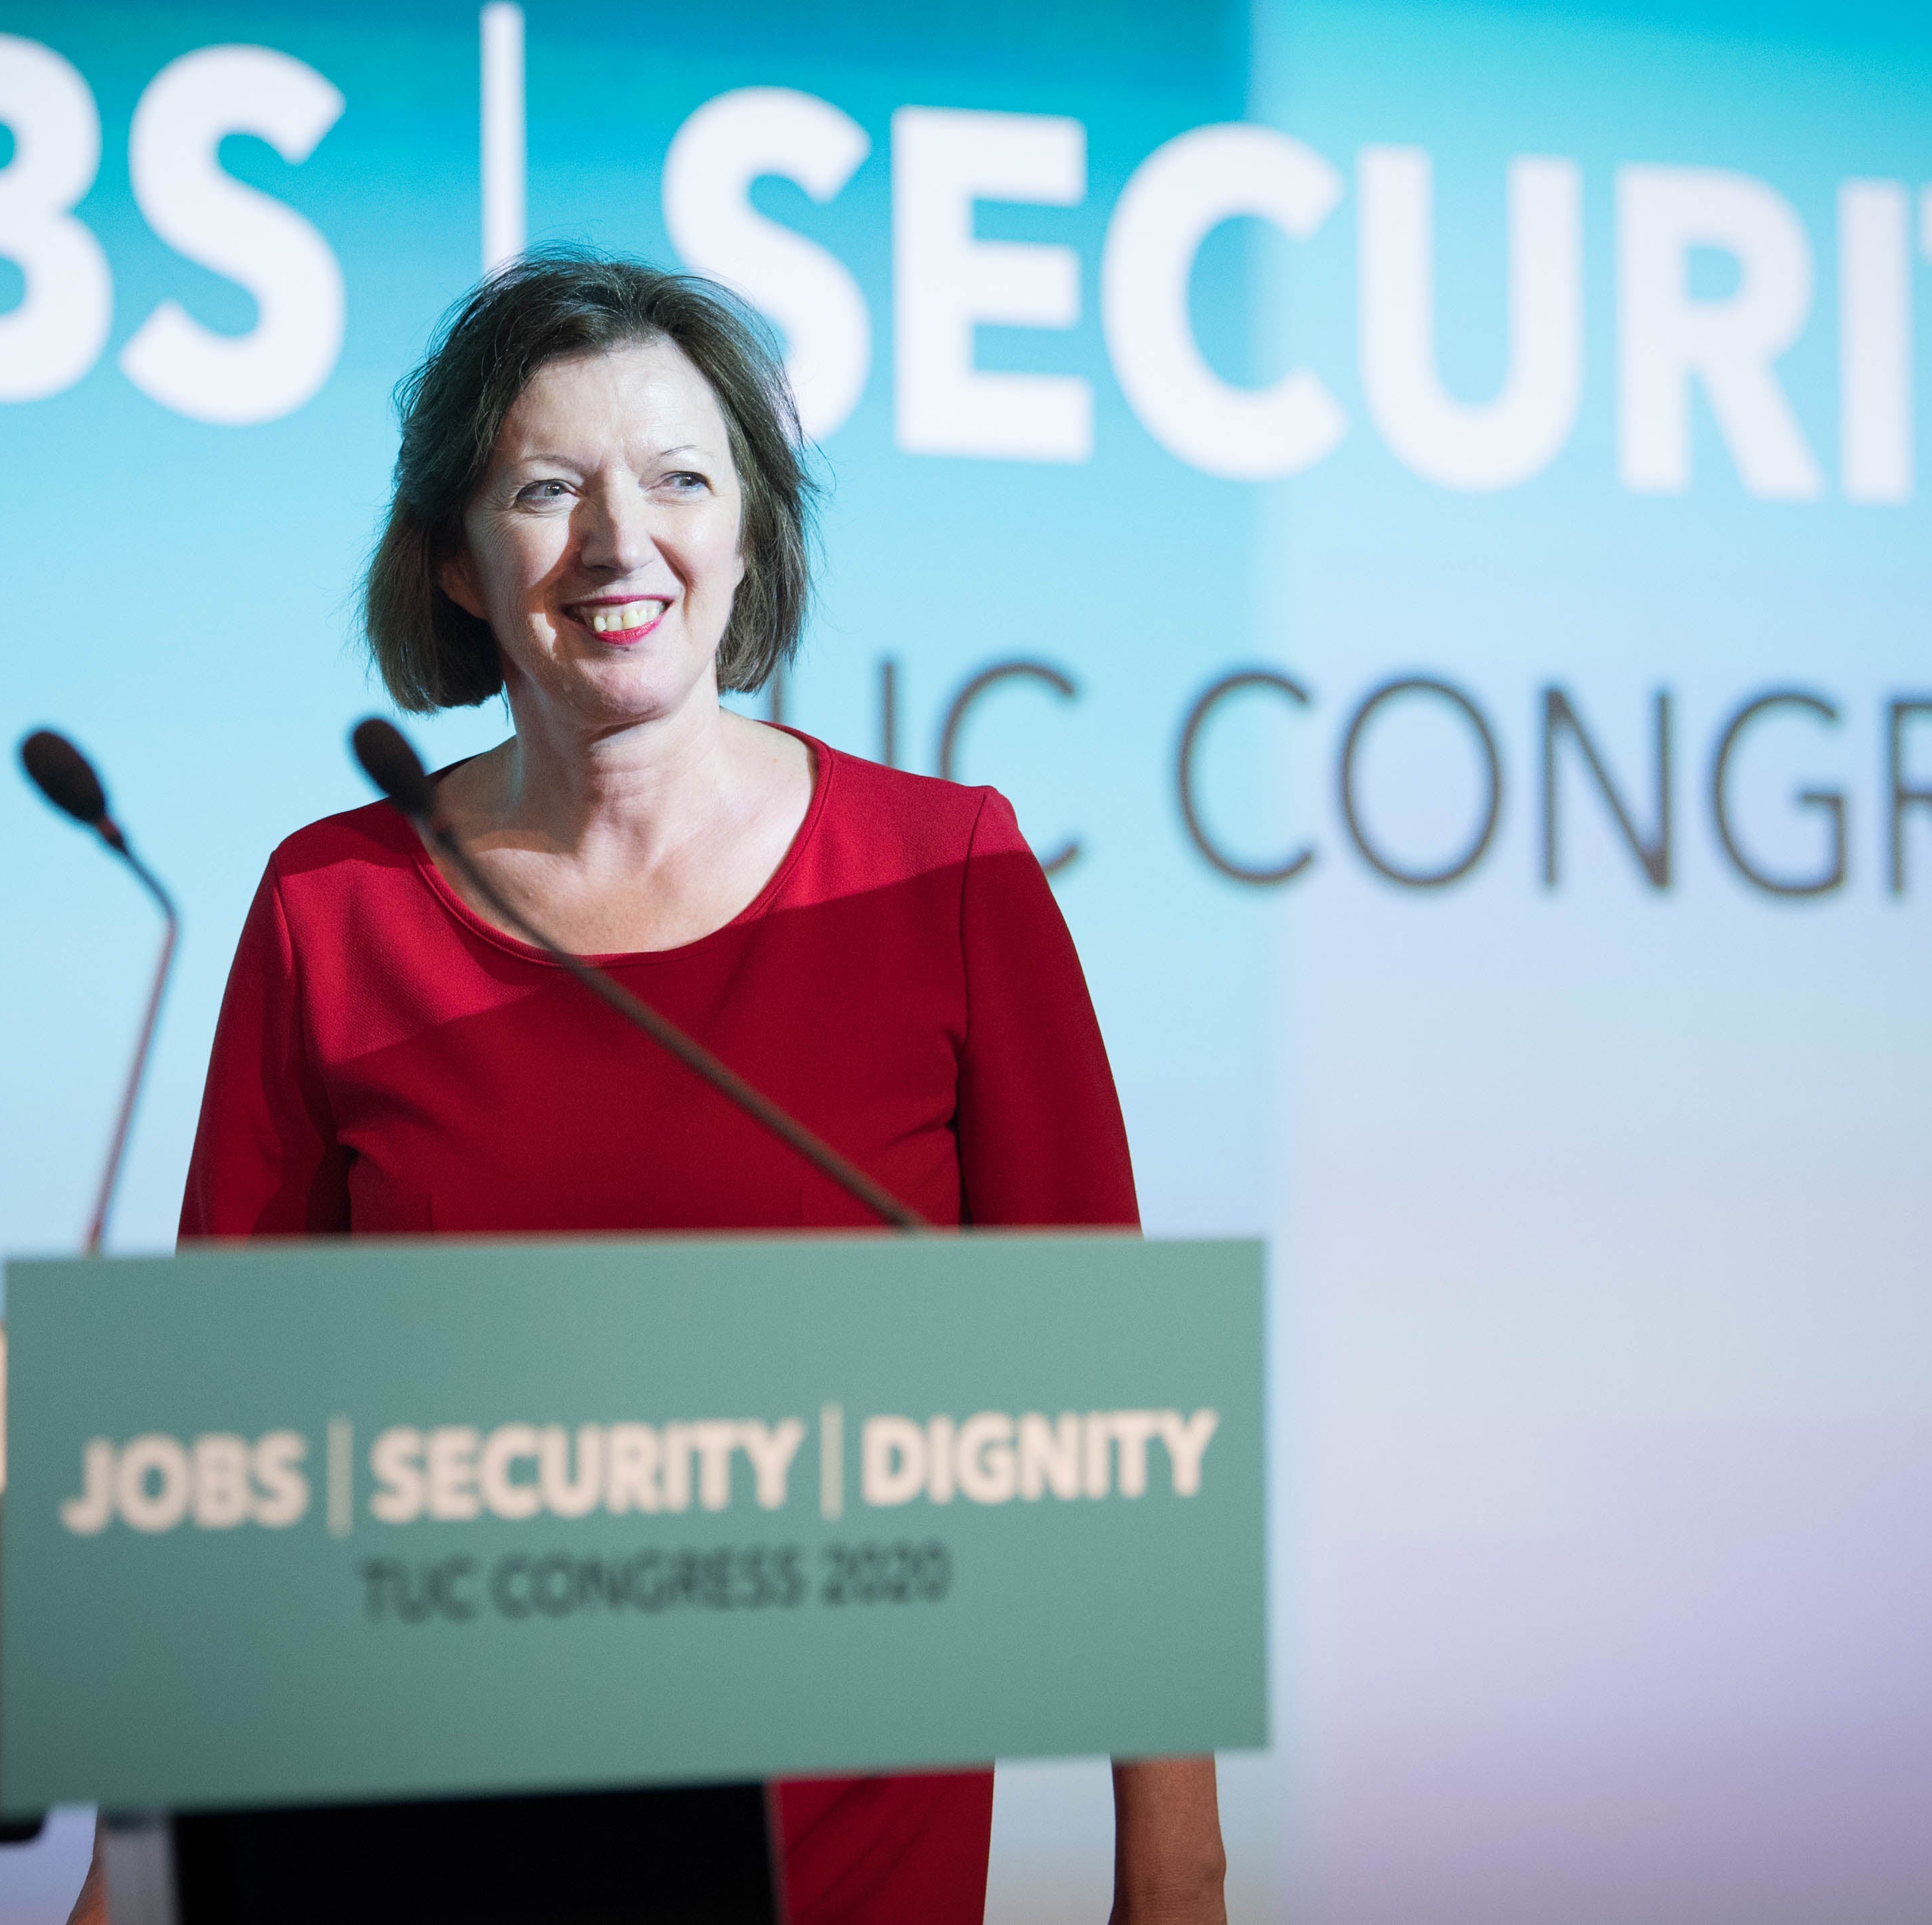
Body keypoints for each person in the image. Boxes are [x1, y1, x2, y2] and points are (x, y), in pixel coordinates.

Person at [69, 252, 1225, 1925]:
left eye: (681, 479)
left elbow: (1115, 1426)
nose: (623, 543)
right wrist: (132, 1887)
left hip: (840, 1869)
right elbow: (220, 1486)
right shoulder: (333, 909)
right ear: (456, 564)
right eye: (549, 489)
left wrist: (1174, 1878)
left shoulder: (941, 876)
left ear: (748, 530)